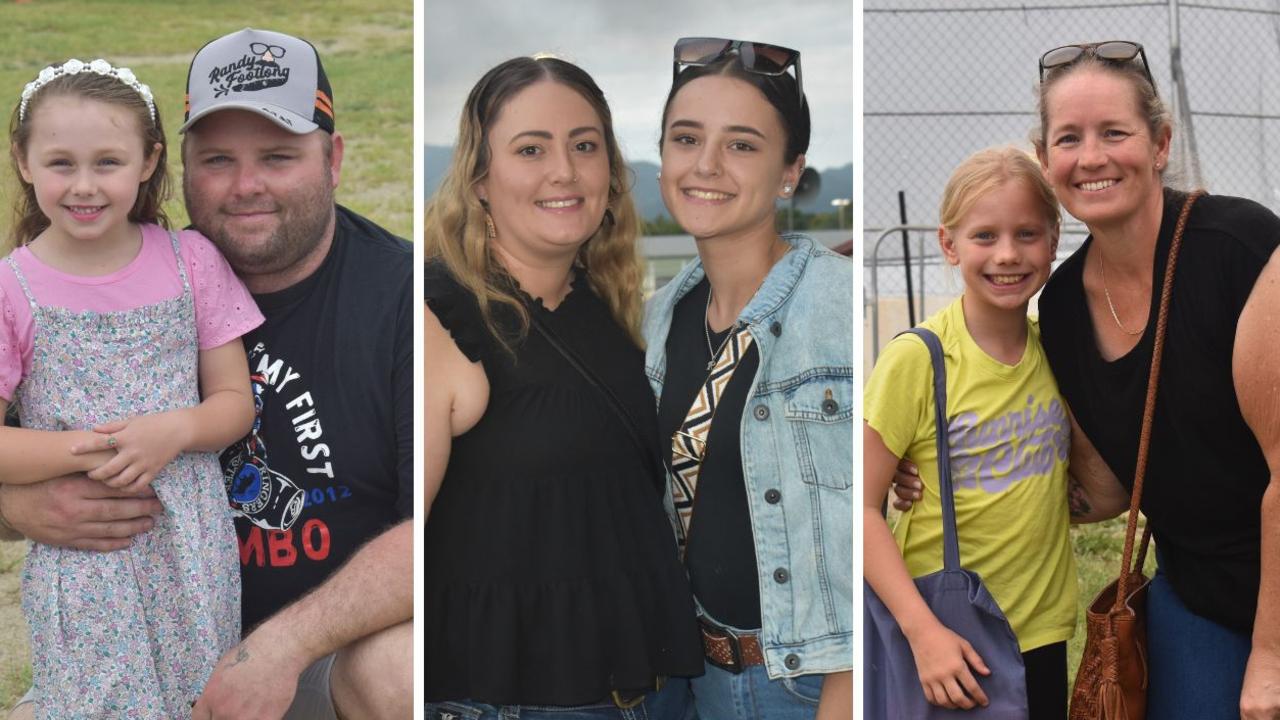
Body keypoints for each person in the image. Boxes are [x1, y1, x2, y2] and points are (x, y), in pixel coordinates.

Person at [0, 28, 413, 720]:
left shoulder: (401, 298)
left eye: (278, 157)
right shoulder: (40, 284)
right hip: (111, 621)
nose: (246, 185)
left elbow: (436, 535)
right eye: (219, 159)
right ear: (181, 165)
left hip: (315, 660)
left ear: (334, 158)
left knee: (400, 674)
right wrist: (17, 506)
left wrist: (281, 649)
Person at [894, 40, 1280, 719]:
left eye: (1115, 133)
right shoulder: (1065, 307)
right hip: (1200, 592)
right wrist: (938, 465)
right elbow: (1101, 488)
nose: (1092, 156)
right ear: (1047, 161)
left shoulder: (1240, 250)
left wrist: (1270, 660)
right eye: (1069, 138)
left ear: (1160, 144)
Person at [423, 55, 704, 719]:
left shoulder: (626, 314)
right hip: (514, 698)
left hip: (660, 689)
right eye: (531, 149)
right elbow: (395, 538)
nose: (565, 172)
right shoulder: (438, 317)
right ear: (481, 179)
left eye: (585, 145)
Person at [0, 57, 260, 718]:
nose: (84, 186)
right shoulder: (12, 288)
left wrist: (175, 429)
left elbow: (235, 402)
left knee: (202, 696)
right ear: (23, 162)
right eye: (61, 163)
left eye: (108, 163)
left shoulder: (190, 260)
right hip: (86, 553)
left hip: (191, 547)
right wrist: (92, 451)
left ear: (147, 162)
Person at [642, 38, 853, 720]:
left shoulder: (838, 307)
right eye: (686, 138)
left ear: (790, 172)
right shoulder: (659, 317)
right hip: (687, 678)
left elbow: (871, 519)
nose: (706, 165)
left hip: (801, 683)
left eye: (741, 145)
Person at [865, 146, 1075, 718]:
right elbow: (856, 509)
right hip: (952, 640)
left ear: (1054, 240)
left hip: (1043, 634)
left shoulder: (1056, 349)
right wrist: (922, 633)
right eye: (985, 236)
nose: (1007, 254)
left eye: (1027, 233)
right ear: (949, 244)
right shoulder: (919, 359)